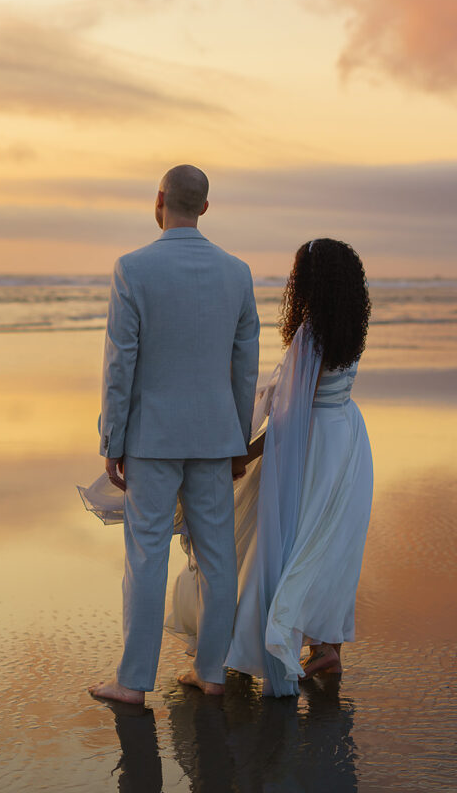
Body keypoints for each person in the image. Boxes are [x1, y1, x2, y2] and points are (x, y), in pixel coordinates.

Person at [166, 237, 373, 696]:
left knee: (284, 546)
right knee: (328, 545)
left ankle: (259, 646)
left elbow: (288, 419)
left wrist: (244, 456)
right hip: (348, 438)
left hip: (312, 446)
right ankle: (327, 647)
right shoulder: (348, 330)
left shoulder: (312, 335)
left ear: (308, 284)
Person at [87, 164, 260, 704]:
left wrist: (111, 439)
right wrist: (238, 438)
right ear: (205, 207)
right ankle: (211, 672)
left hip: (152, 440)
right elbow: (245, 364)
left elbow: (121, 363)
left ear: (159, 199)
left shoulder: (133, 269)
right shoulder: (237, 272)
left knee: (146, 558)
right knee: (217, 559)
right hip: (214, 437)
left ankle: (133, 682)